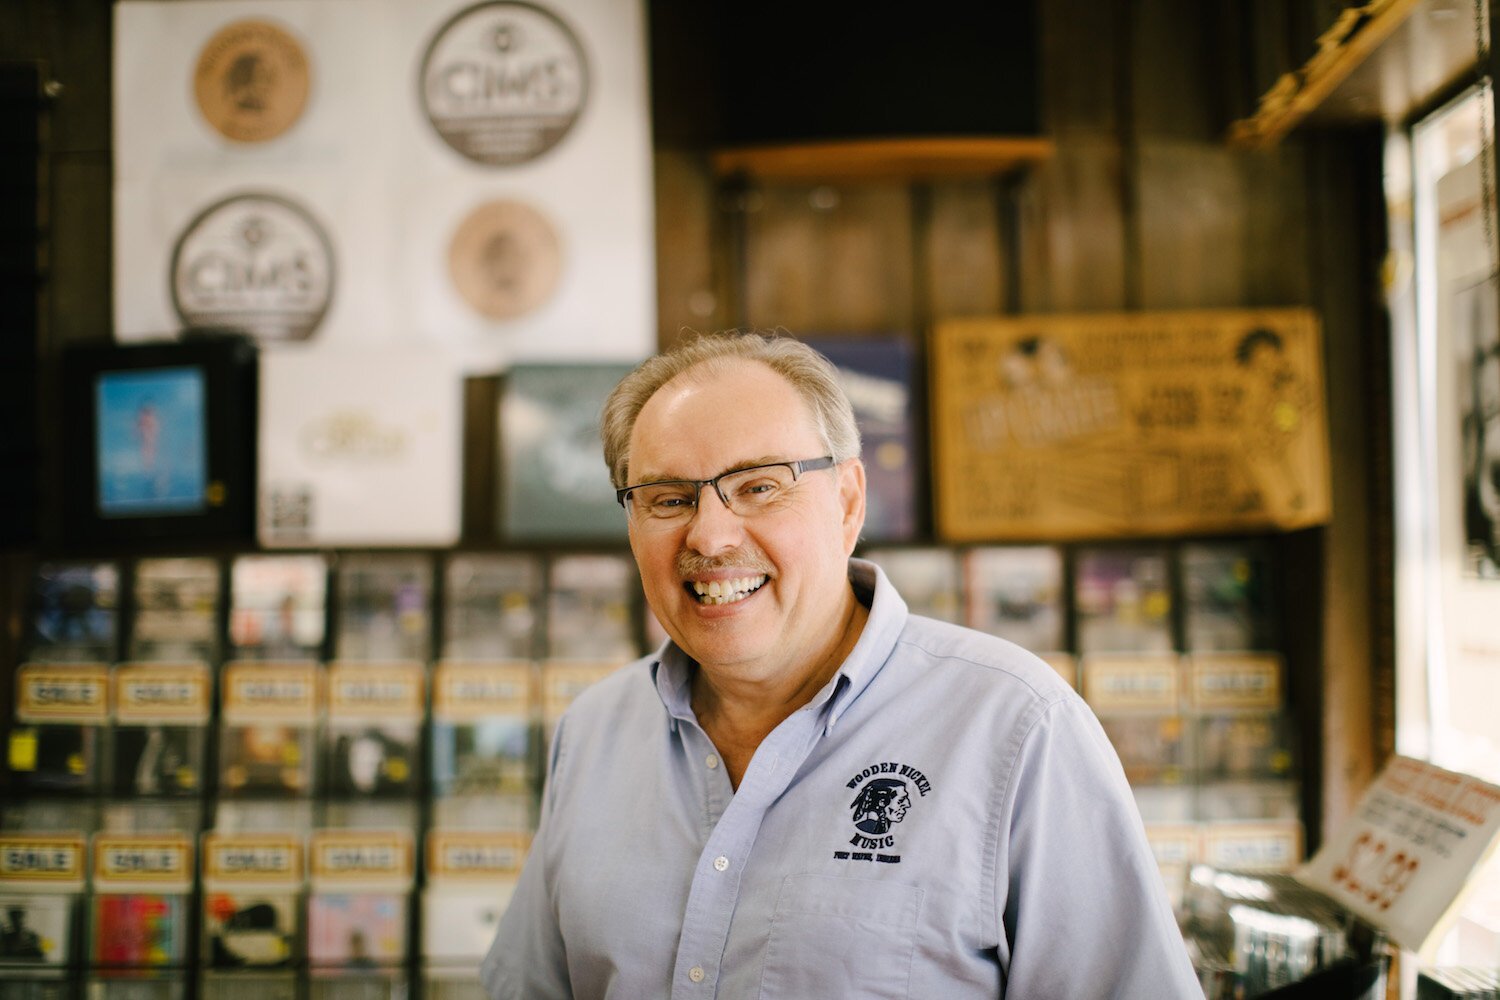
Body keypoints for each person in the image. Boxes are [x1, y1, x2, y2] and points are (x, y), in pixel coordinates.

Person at [480, 332, 1201, 999]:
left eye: (759, 485)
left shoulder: (1017, 726)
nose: (711, 534)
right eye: (668, 499)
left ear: (848, 502)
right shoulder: (593, 733)